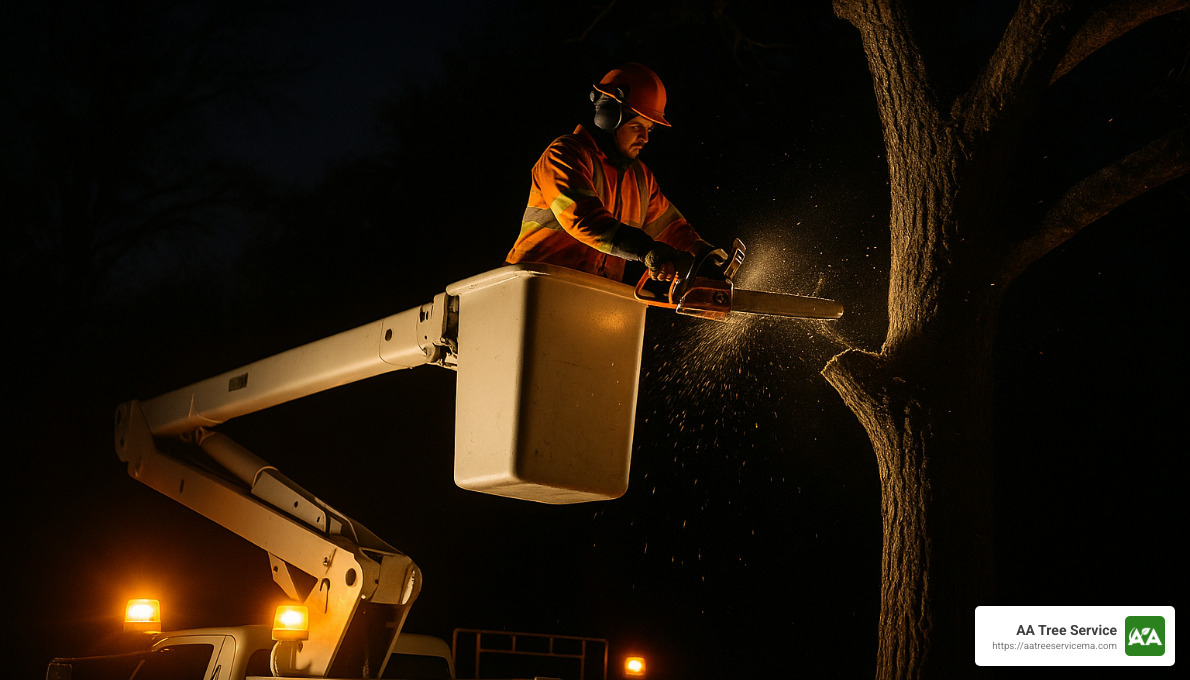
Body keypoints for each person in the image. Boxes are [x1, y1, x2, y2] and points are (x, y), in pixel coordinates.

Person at [505, 63, 714, 284]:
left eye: (649, 129)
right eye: (637, 127)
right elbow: (585, 220)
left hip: (591, 297)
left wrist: (704, 254)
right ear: (609, 116)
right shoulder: (564, 155)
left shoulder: (641, 179)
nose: (645, 138)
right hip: (530, 288)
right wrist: (646, 250)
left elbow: (671, 229)